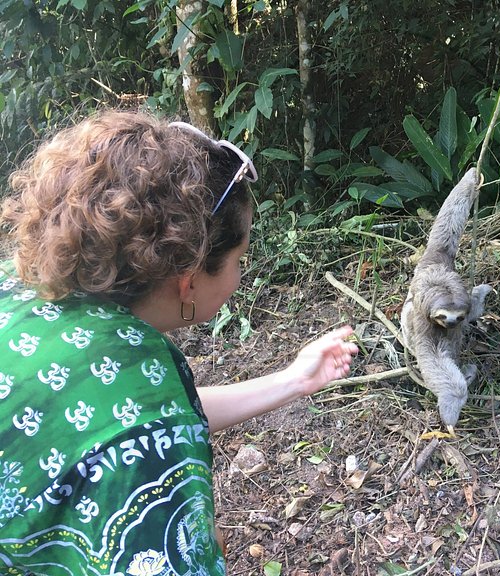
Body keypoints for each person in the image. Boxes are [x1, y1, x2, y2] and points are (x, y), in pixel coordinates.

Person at [0, 110, 358, 575]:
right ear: (188, 281)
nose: (241, 275)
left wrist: (293, 380)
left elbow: (119, 414)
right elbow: (140, 428)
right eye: (240, 260)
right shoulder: (143, 421)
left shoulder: (24, 287)